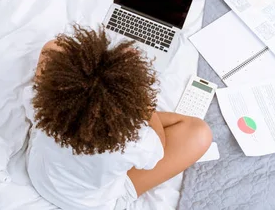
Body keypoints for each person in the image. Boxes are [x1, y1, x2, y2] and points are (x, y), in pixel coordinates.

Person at [23, 25, 212, 210]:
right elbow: (159, 147)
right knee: (200, 134)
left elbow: (52, 48)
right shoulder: (135, 143)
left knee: (54, 48)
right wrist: (146, 108)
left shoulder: (41, 104)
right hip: (93, 204)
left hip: (41, 177)